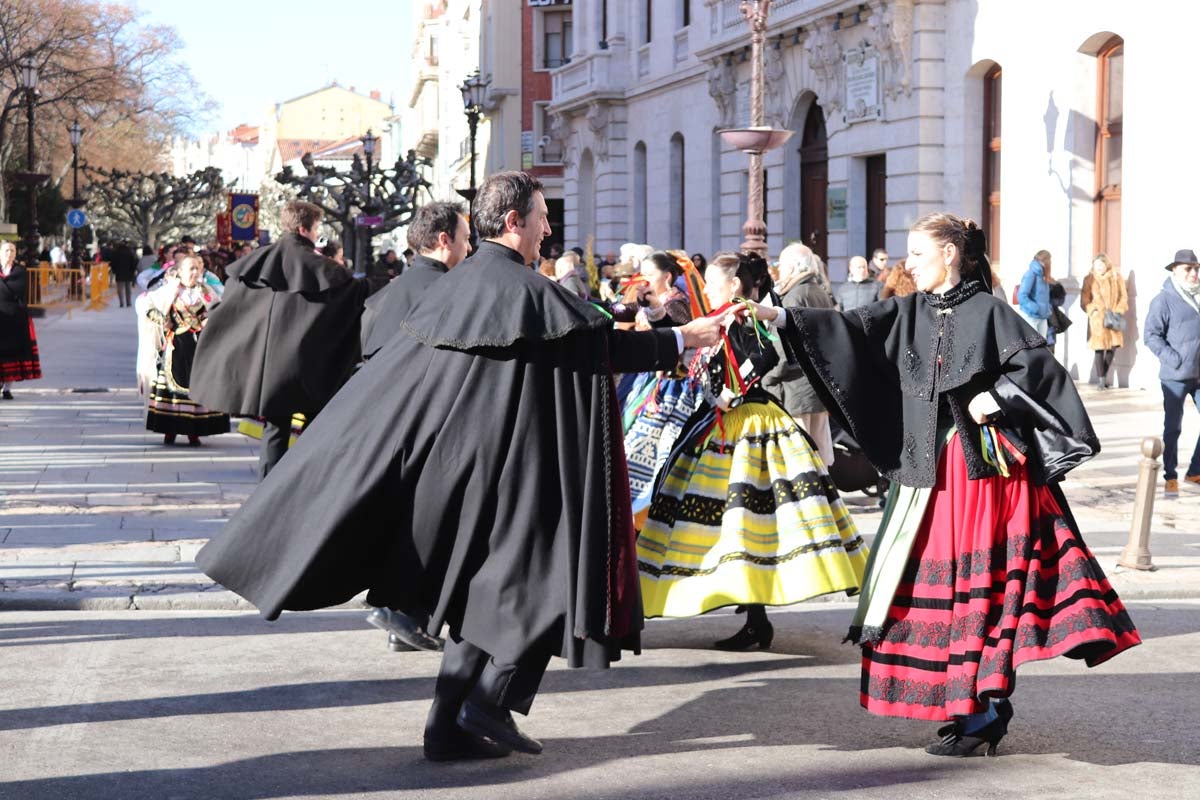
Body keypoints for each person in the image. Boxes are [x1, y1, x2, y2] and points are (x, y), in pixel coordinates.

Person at [194, 171, 726, 762]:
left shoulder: (459, 284)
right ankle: (487, 704)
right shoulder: (521, 288)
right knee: (539, 587)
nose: (550, 227)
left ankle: (445, 730)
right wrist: (683, 339)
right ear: (513, 221)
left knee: (484, 598)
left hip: (458, 472)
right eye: (543, 216)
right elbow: (598, 348)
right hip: (511, 476)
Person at [751, 212, 1140, 757]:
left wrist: (998, 397)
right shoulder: (907, 310)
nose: (908, 263)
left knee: (978, 597)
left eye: (917, 253)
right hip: (924, 478)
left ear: (950, 254)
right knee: (922, 595)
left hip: (981, 479)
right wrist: (779, 317)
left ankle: (983, 710)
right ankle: (967, 707)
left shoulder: (990, 311)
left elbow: (1041, 374)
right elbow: (849, 331)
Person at [639, 250, 867, 651]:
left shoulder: (741, 314)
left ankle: (756, 619)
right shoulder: (721, 315)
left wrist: (732, 391)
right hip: (725, 420)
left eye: (713, 282)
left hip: (747, 421)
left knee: (746, 522)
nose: (706, 289)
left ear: (734, 285)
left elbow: (767, 355)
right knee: (733, 523)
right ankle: (748, 611)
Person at [188, 200, 370, 479]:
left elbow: (232, 310)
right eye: (316, 228)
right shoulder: (326, 270)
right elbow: (352, 300)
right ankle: (304, 482)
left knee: (275, 429)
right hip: (310, 368)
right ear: (304, 228)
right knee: (313, 426)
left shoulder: (254, 264)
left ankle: (267, 485)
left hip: (268, 371)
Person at [615, 251, 703, 523]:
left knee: (652, 446)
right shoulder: (651, 298)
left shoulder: (676, 303)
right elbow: (622, 313)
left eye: (650, 275)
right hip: (645, 377)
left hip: (666, 387)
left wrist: (653, 313)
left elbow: (674, 337)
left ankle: (645, 506)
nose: (644, 280)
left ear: (666, 277)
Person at [361, 201, 469, 361]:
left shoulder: (381, 297)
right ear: (444, 240)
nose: (469, 247)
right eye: (466, 238)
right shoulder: (455, 294)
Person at [761, 242, 837, 466]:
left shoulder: (795, 296)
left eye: (780, 264)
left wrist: (769, 377)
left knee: (799, 458)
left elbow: (786, 350)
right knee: (819, 456)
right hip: (816, 386)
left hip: (796, 388)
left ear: (793, 267)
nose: (777, 269)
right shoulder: (818, 291)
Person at [143, 254, 230, 446]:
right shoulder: (169, 291)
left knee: (196, 385)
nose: (194, 272)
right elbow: (146, 304)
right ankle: (169, 428)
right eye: (190, 268)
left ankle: (194, 430)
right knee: (172, 389)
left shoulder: (205, 291)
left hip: (199, 347)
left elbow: (217, 309)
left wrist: (210, 319)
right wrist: (161, 318)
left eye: (197, 269)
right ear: (179, 271)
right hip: (176, 346)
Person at [1143, 248, 1200, 498]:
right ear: (1175, 270)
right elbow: (1151, 335)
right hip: (1175, 376)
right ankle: (1171, 475)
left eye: (1196, 269)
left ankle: (1195, 471)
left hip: (1198, 373)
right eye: (1188, 269)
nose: (1194, 273)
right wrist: (1174, 359)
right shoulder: (1163, 300)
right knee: (1173, 428)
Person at [0, 240, 42, 399]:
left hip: (15, 318)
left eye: (12, 250)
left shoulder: (20, 272)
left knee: (13, 354)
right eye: (6, 250)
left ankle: (7, 388)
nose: (9, 253)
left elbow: (22, 292)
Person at [1080, 253, 1128, 390]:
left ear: (1106, 264)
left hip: (1113, 316)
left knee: (1113, 347)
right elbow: (1084, 299)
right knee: (1099, 349)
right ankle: (1101, 380)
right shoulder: (1089, 279)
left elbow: (1123, 296)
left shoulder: (1116, 277)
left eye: (1101, 265)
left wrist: (1119, 310)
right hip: (1098, 318)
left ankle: (1104, 375)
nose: (1099, 268)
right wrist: (1093, 310)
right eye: (1096, 265)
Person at [1016, 249, 1052, 335]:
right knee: (1034, 346)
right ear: (1045, 260)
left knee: (1042, 345)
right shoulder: (1031, 274)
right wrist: (1035, 308)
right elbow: (1021, 295)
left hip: (1042, 316)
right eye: (1050, 260)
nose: (1051, 263)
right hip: (1032, 317)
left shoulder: (1043, 275)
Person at [109, 241, 139, 308]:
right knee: (128, 288)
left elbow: (113, 263)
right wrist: (133, 270)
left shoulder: (116, 252)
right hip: (129, 273)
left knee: (120, 289)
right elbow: (134, 262)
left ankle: (121, 302)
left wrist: (114, 270)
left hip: (119, 273)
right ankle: (128, 302)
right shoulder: (130, 252)